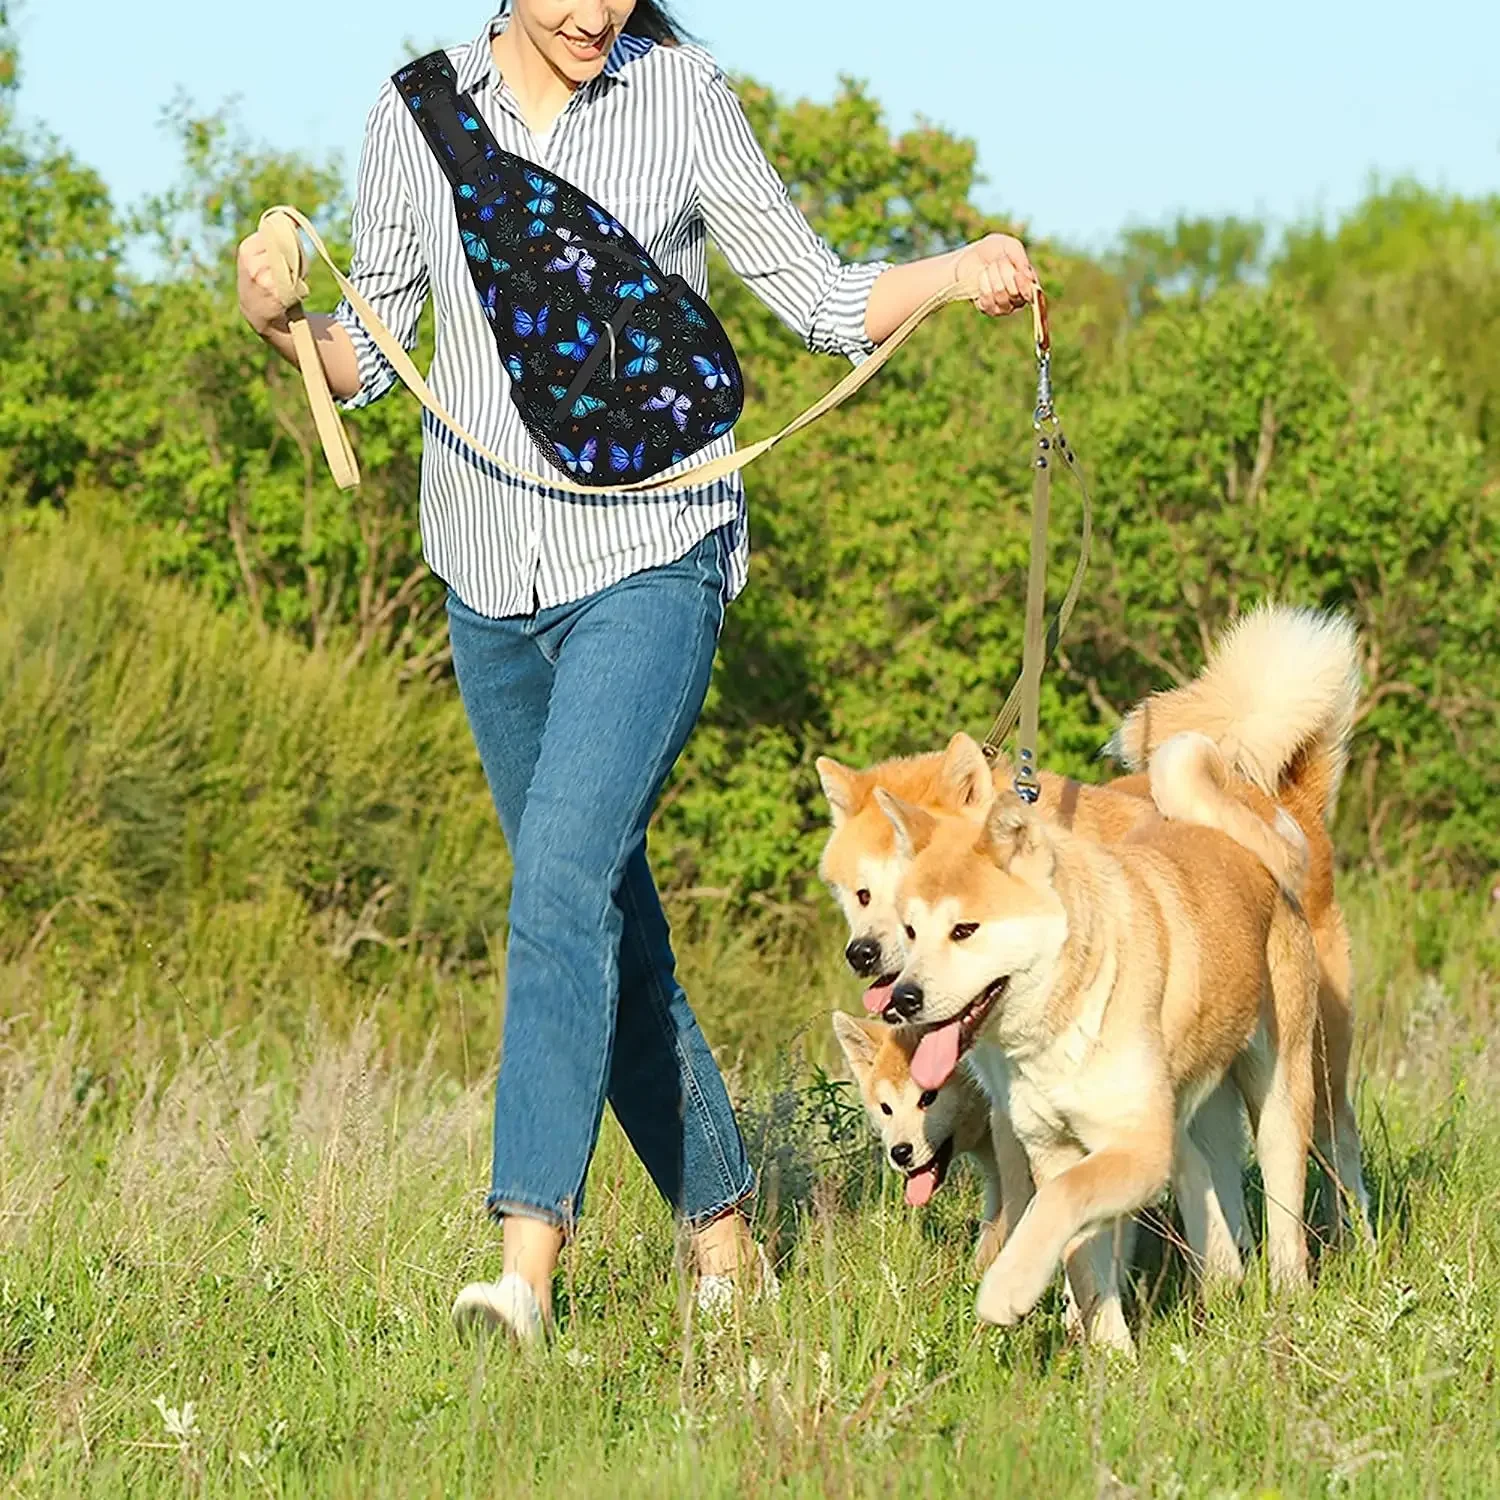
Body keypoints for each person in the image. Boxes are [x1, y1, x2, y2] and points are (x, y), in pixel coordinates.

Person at [236, 0, 1038, 1343]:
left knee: (556, 883)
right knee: (600, 909)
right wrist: (279, 319)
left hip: (652, 555)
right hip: (489, 579)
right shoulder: (413, 116)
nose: (592, 12)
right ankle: (727, 1245)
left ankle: (523, 1266)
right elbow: (363, 365)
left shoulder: (681, 94)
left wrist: (955, 270)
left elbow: (822, 298)